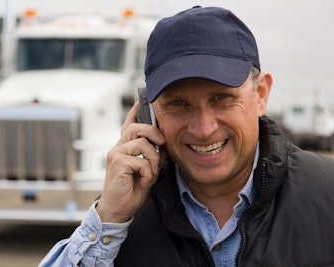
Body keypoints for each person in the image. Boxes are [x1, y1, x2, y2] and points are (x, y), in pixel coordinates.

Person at [39, 6, 334, 267]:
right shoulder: (119, 219)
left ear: (260, 94)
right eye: (179, 104)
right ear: (147, 113)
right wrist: (109, 220)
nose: (203, 129)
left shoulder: (326, 195)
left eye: (222, 98)